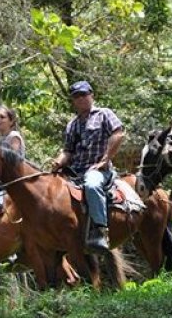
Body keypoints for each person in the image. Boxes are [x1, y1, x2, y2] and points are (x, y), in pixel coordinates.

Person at [51, 80, 124, 252]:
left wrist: (105, 159)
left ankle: (100, 230)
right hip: (75, 171)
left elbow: (118, 133)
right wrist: (58, 161)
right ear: (73, 101)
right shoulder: (72, 124)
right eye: (76, 96)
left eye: (84, 94)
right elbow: (68, 151)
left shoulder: (104, 114)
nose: (81, 99)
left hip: (97, 169)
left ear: (91, 95)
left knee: (92, 185)